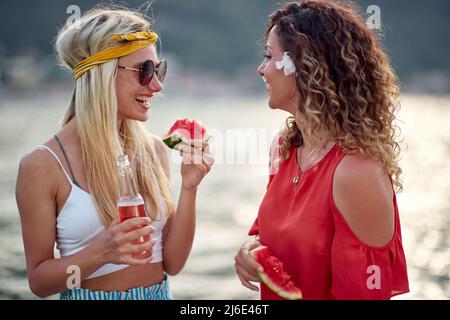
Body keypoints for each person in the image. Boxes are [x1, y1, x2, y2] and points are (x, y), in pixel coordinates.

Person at [15, 7, 214, 300]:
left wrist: (189, 187)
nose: (157, 85)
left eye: (159, 70)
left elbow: (171, 263)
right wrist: (100, 252)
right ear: (103, 73)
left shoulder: (156, 150)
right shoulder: (43, 165)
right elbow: (39, 282)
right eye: (145, 71)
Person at [234, 0, 409, 300]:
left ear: (304, 66)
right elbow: (269, 235)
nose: (260, 69)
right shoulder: (284, 148)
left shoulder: (357, 172)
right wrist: (250, 251)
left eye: (268, 56)